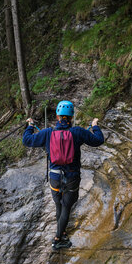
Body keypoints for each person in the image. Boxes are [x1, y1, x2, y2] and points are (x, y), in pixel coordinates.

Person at [22, 100, 104, 250]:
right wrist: (95, 126)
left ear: (58, 116)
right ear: (71, 117)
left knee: (58, 204)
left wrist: (30, 126)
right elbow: (98, 140)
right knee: (66, 207)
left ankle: (62, 231)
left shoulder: (47, 133)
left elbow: (27, 140)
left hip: (54, 178)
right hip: (72, 178)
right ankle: (58, 239)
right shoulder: (78, 132)